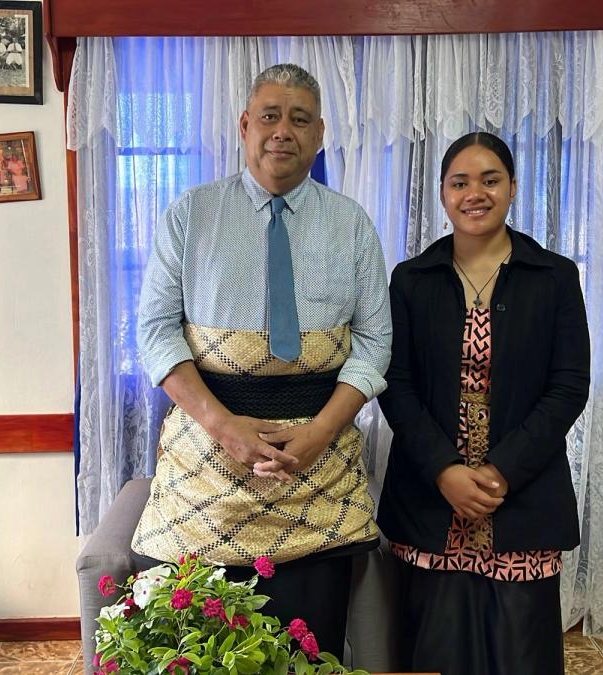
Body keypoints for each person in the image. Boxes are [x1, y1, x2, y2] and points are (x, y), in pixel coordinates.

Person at [130, 63, 391, 657]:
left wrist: (319, 433)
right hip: (207, 468)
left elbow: (376, 342)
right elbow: (155, 332)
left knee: (311, 651)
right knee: (207, 653)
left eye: (299, 119)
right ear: (245, 125)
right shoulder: (190, 215)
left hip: (320, 471)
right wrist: (225, 428)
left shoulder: (351, 224)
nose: (283, 131)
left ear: (319, 134)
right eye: (270, 116)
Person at [377, 131, 590, 674]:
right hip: (431, 500)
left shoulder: (554, 277)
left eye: (490, 180)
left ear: (513, 187)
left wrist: (502, 471)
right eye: (460, 183)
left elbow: (568, 386)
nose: (475, 193)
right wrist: (444, 470)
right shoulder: (411, 280)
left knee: (521, 656)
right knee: (435, 654)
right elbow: (394, 384)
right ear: (443, 194)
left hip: (521, 497)